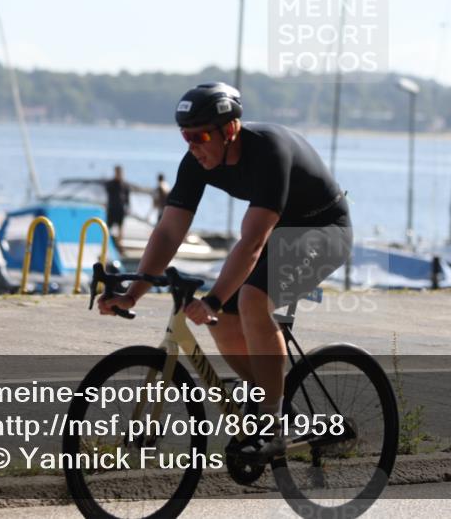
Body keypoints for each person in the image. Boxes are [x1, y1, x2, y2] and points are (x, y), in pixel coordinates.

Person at [99, 82, 352, 461]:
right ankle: (265, 396)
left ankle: (272, 424)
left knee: (250, 299)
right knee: (226, 318)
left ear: (230, 129)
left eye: (200, 136)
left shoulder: (269, 151)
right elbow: (169, 230)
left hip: (323, 231)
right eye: (186, 137)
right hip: (280, 234)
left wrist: (214, 298)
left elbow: (251, 242)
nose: (193, 146)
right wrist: (134, 291)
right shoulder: (197, 162)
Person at [104, 166, 130, 251]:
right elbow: (107, 193)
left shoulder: (125, 185)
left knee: (120, 229)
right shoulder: (111, 184)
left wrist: (128, 208)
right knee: (107, 228)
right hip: (112, 209)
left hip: (120, 209)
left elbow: (127, 199)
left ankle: (119, 246)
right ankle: (106, 245)